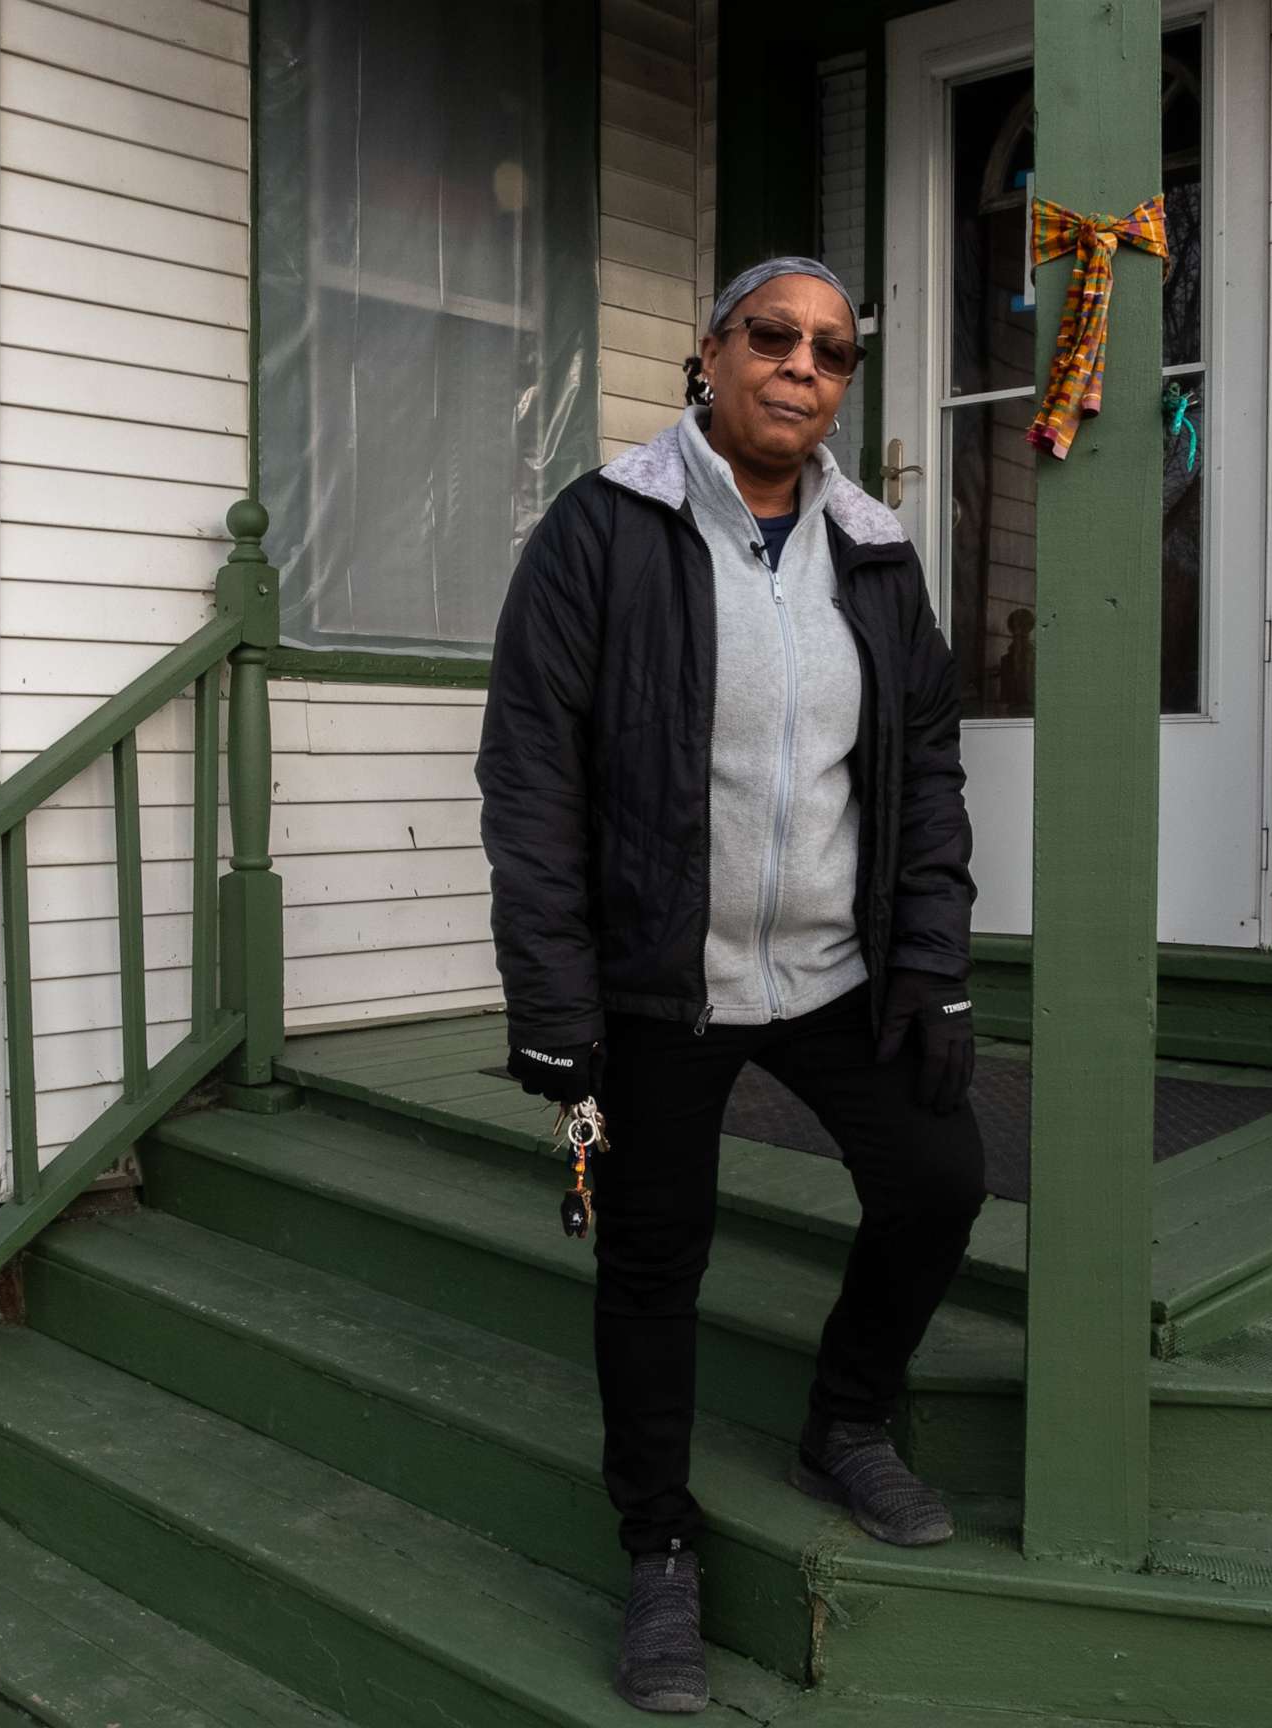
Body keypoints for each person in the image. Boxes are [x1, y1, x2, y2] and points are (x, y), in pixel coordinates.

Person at [475, 257, 986, 1715]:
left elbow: (927, 769)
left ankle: (846, 1419)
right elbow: (530, 780)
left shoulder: (877, 555)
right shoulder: (604, 531)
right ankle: (658, 1548)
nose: (802, 367)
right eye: (773, 336)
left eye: (832, 351)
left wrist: (935, 968)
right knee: (652, 1257)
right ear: (710, 353)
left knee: (940, 1180)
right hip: (658, 983)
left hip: (835, 970)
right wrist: (555, 1006)